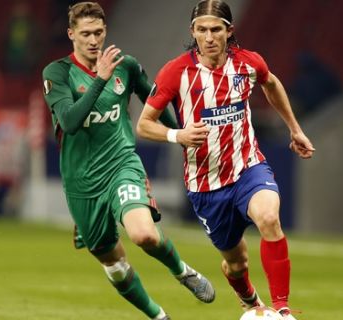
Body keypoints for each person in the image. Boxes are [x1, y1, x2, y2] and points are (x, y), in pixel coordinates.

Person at [136, 1, 315, 319]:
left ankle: (282, 309)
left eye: (216, 29)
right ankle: (248, 298)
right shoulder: (176, 72)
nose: (208, 37)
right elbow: (144, 124)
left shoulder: (248, 64)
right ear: (192, 31)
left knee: (269, 218)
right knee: (236, 263)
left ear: (229, 31)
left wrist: (295, 129)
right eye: (202, 30)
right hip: (206, 186)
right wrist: (178, 135)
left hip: (248, 167)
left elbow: (270, 83)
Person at [41, 2, 215, 320]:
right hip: (82, 183)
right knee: (114, 263)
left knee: (144, 235)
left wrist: (179, 135)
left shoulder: (127, 66)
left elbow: (155, 101)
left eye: (98, 32)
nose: (93, 40)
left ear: (105, 31)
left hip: (122, 166)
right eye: (85, 34)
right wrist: (99, 80)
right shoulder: (57, 73)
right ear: (71, 34)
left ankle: (182, 271)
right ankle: (158, 316)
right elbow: (69, 120)